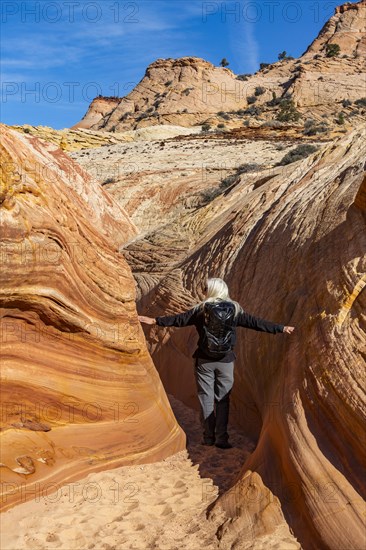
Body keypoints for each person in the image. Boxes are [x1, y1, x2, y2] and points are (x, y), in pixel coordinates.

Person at [138, 277, 295, 449]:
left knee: (206, 399)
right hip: (225, 361)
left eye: (205, 288)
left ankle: (208, 437)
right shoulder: (234, 309)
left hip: (204, 360)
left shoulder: (201, 309)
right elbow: (255, 323)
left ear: (211, 290)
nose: (203, 290)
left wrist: (155, 321)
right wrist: (281, 328)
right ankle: (222, 439)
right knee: (223, 400)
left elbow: (179, 320)